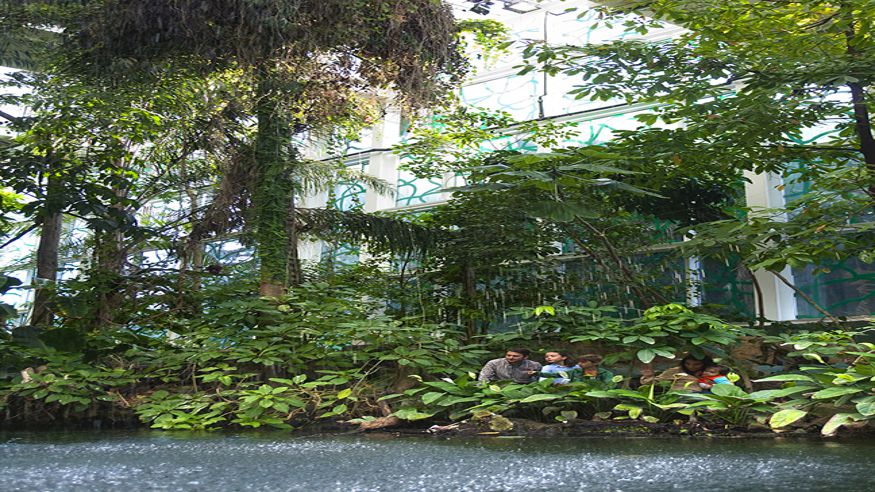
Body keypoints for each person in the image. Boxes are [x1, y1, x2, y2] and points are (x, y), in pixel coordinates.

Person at [639, 354, 716, 392]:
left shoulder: (712, 371)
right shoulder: (675, 371)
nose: (691, 367)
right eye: (687, 364)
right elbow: (656, 382)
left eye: (696, 364)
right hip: (681, 395)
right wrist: (648, 376)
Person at [531, 354, 616, 387]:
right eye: (579, 362)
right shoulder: (576, 371)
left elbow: (609, 385)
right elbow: (556, 375)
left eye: (583, 362)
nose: (579, 364)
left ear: (594, 363)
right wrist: (537, 373)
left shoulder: (605, 373)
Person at [478, 348, 542, 384]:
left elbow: (541, 379)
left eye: (515, 356)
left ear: (525, 357)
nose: (511, 358)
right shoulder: (494, 363)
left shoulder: (535, 365)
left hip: (524, 388)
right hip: (500, 388)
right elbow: (484, 378)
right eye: (508, 355)